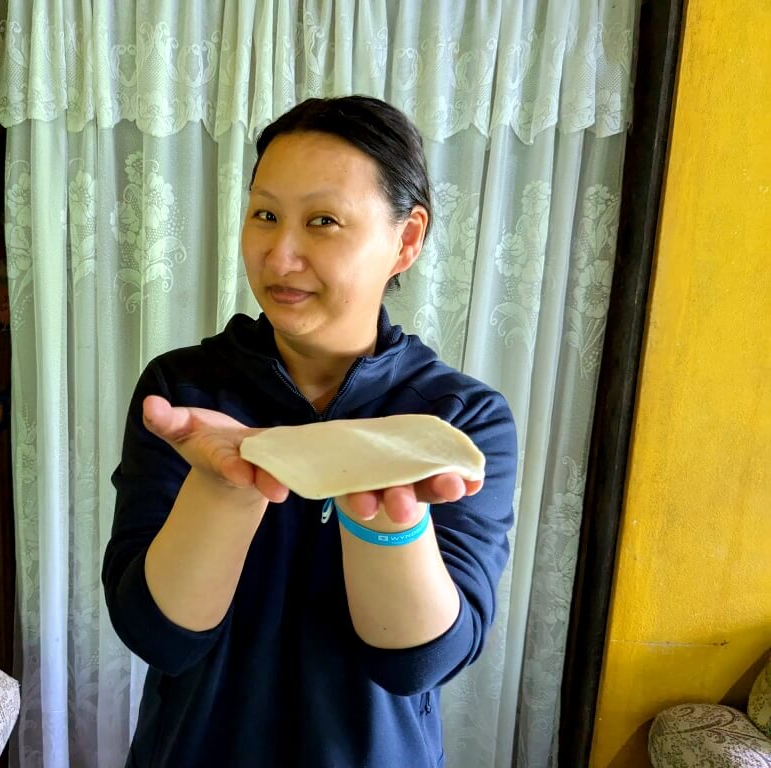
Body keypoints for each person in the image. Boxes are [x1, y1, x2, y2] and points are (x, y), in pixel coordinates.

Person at [102, 95, 518, 768]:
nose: (280, 253)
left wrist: (390, 525)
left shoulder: (458, 421)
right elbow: (160, 636)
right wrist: (223, 487)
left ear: (407, 240)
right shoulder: (184, 393)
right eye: (265, 214)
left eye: (323, 221)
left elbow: (420, 663)